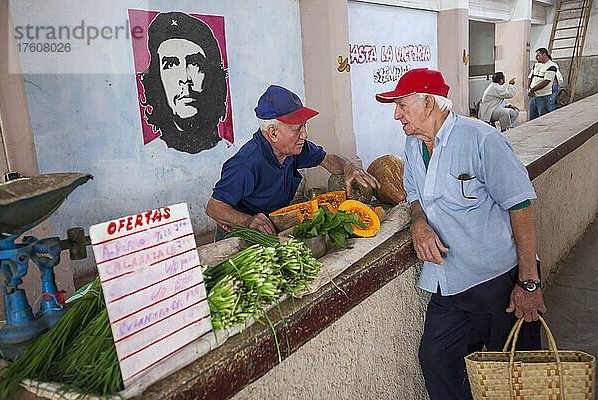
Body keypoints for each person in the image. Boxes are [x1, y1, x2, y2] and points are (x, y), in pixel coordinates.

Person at [375, 68, 545, 400]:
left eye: (401, 106)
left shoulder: (481, 139)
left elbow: (520, 206)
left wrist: (528, 282)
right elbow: (414, 196)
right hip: (449, 281)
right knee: (436, 359)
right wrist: (418, 223)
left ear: (427, 103)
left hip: (499, 280)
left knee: (514, 372)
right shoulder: (413, 145)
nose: (396, 115)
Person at [206, 85, 380, 240]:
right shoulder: (246, 164)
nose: (304, 135)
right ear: (273, 132)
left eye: (304, 126)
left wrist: (348, 167)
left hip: (270, 228)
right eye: (297, 129)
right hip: (238, 235)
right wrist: (248, 220)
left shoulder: (294, 148)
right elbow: (214, 208)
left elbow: (328, 160)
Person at [139, 12, 228, 154]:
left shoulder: (232, 152)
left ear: (213, 77)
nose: (185, 78)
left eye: (194, 63)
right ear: (157, 80)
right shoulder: (150, 154)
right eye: (170, 64)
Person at [528, 48, 558, 120]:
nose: (536, 57)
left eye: (538, 55)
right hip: (534, 96)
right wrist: (529, 89)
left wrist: (532, 90)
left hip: (543, 96)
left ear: (544, 55)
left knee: (543, 118)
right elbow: (529, 77)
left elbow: (546, 82)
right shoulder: (536, 65)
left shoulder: (551, 66)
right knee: (532, 118)